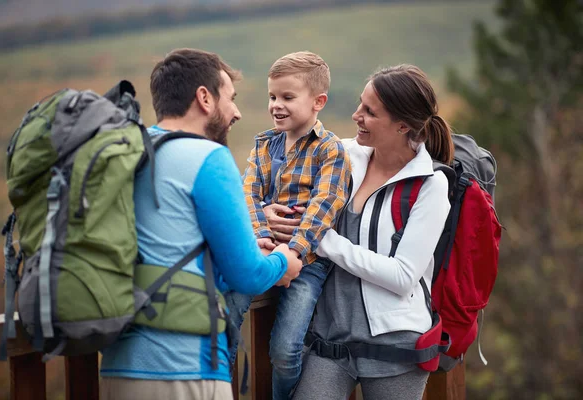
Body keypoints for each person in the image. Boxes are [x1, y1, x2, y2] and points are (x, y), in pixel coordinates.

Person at [99, 48, 303, 400]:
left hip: (119, 365)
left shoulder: (129, 153)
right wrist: (284, 261)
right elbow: (248, 275)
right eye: (231, 98)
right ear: (204, 98)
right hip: (184, 365)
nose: (236, 111)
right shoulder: (208, 158)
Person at [268, 64, 454, 400]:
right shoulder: (340, 155)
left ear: (402, 126)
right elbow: (277, 183)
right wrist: (267, 211)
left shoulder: (430, 185)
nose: (356, 116)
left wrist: (323, 240)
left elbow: (402, 276)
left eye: (370, 112)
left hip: (395, 346)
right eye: (359, 104)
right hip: (330, 338)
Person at [225, 51, 351, 400]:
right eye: (272, 97)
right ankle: (222, 385)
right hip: (265, 251)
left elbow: (324, 207)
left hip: (307, 264)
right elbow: (247, 192)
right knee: (229, 303)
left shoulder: (330, 150)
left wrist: (292, 252)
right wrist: (264, 240)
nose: (276, 105)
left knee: (285, 350)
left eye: (287, 97)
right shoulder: (265, 145)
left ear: (318, 102)